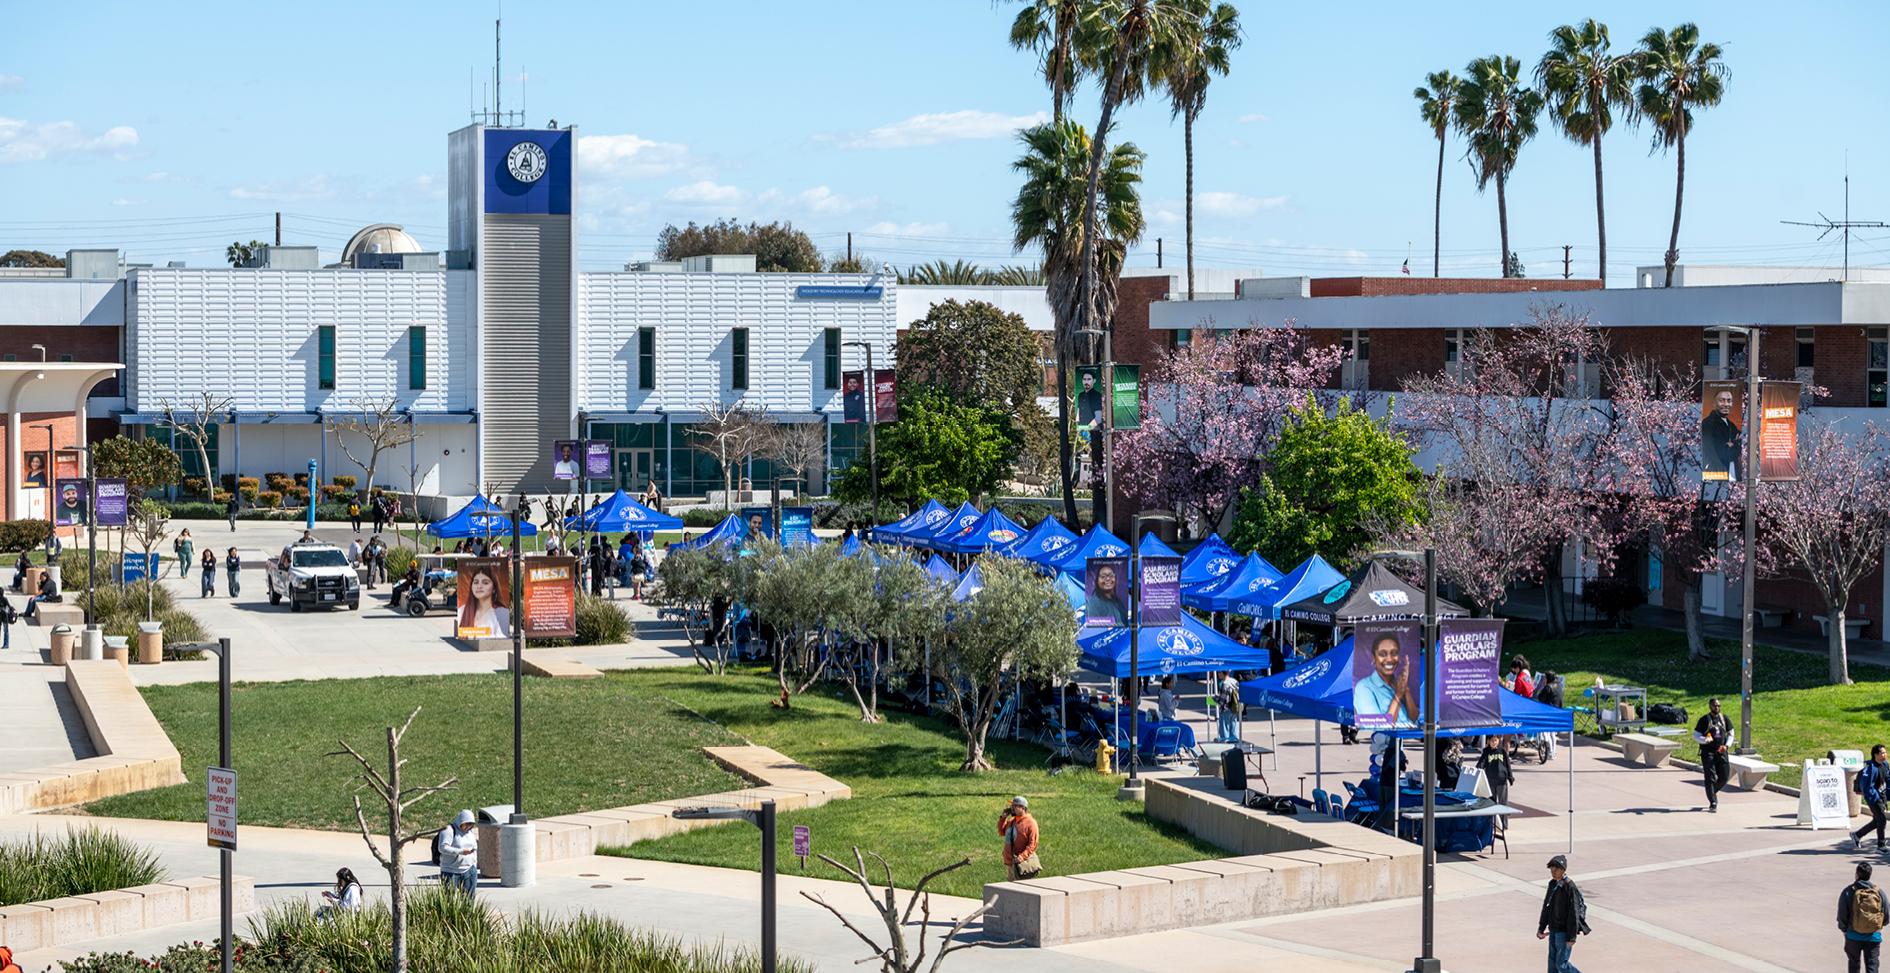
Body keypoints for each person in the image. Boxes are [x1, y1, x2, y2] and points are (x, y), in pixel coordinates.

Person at [1354, 634, 1419, 729]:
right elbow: (1381, 727)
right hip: (1385, 743)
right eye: (1382, 654)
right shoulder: (1364, 687)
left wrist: (1406, 689)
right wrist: (1398, 696)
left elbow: (1415, 720)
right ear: (1373, 658)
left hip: (1406, 741)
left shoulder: (1397, 684)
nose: (1389, 659)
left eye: (1394, 653)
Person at [1537, 854, 1590, 972]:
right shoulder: (1552, 884)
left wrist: (1572, 936)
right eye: (1551, 869)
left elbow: (1574, 913)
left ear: (1563, 870)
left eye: (1556, 869)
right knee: (1552, 965)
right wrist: (1541, 927)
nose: (1553, 871)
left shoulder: (1570, 887)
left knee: (1562, 964)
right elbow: (1546, 907)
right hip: (1553, 930)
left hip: (1564, 932)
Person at [1839, 861, 1885, 973]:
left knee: (1854, 964)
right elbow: (1887, 914)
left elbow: (1842, 915)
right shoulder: (1878, 892)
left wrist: (1844, 930)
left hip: (1853, 936)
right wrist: (1877, 926)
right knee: (1872, 965)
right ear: (1870, 875)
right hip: (1873, 937)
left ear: (1857, 874)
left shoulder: (1848, 891)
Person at [1694, 696, 1733, 812]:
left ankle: (1711, 791)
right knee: (1710, 777)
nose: (1717, 707)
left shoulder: (1724, 718)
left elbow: (1731, 733)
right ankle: (1713, 802)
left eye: (1718, 705)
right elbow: (1695, 735)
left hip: (1721, 750)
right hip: (1708, 752)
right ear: (1710, 706)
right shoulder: (1704, 720)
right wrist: (1704, 739)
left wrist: (1726, 746)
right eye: (1715, 705)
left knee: (1725, 776)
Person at [456, 565, 510, 638]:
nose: (479, 586)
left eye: (485, 583)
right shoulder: (462, 610)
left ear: (494, 588)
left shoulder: (502, 612)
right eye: (476, 582)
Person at [1855, 745, 1890, 852]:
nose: (1885, 755)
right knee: (1882, 820)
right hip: (1874, 799)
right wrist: (1876, 798)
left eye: (1885, 752)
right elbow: (1867, 788)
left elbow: (1887, 777)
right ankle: (1881, 845)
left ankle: (1857, 835)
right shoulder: (1871, 769)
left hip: (1882, 797)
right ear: (1875, 755)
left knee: (1877, 821)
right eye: (1882, 753)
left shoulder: (1884, 764)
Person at [1702, 387, 1741, 481]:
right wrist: (1733, 445)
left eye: (1729, 401)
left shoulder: (1732, 425)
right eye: (1722, 401)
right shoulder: (1708, 423)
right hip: (1718, 471)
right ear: (1714, 404)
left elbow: (1738, 445)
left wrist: (1733, 445)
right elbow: (1718, 451)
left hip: (1732, 471)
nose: (1726, 404)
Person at [437, 810, 479, 897]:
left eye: (471, 824)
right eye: (466, 824)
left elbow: (474, 848)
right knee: (449, 899)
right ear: (461, 821)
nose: (468, 827)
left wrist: (474, 864)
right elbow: (442, 847)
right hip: (450, 871)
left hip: (469, 870)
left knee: (469, 899)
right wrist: (461, 851)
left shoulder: (470, 833)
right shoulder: (449, 830)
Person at [998, 796, 1040, 882]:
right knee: (1011, 891)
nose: (1012, 808)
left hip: (1022, 864)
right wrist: (1003, 818)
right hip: (1011, 862)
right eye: (1012, 806)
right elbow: (1002, 832)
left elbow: (1033, 844)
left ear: (1023, 808)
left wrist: (1022, 857)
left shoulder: (1031, 823)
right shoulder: (1012, 821)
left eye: (1015, 806)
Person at [1478, 736, 1516, 824]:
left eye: (1495, 740)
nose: (1494, 742)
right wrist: (1477, 770)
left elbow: (1507, 764)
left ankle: (1504, 823)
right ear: (1488, 741)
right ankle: (1492, 823)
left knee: (1503, 802)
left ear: (1499, 741)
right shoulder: (1486, 751)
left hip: (1501, 780)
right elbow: (1481, 763)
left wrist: (1510, 777)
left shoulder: (1502, 751)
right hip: (1490, 780)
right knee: (1491, 802)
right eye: (1492, 741)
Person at [1215, 671, 1242, 743]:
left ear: (1222, 673)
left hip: (1226, 709)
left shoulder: (1225, 684)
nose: (1218, 674)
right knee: (1233, 728)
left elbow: (1221, 701)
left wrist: (1214, 698)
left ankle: (1225, 747)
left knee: (1224, 730)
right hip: (1234, 708)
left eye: (1219, 673)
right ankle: (1235, 745)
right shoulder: (1234, 681)